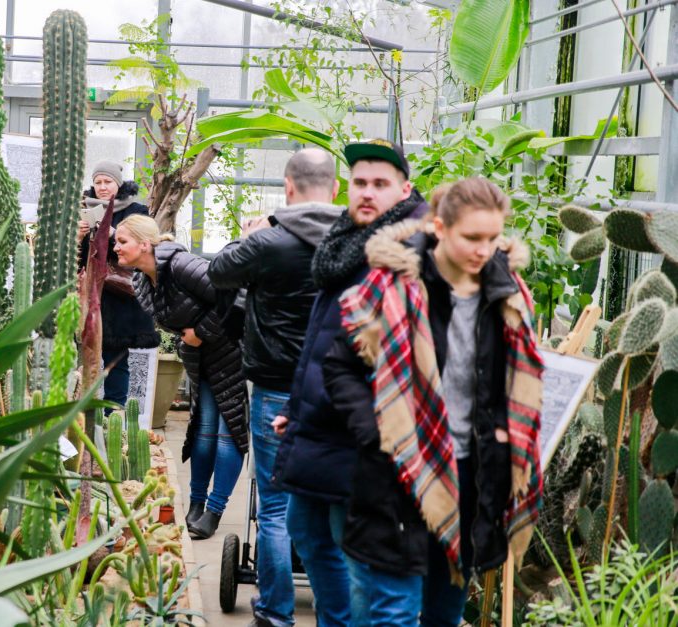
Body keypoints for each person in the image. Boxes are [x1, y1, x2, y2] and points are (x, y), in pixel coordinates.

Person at [324, 177, 544, 625]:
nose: (484, 251)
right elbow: (339, 366)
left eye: (492, 238)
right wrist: (378, 433)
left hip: (473, 475)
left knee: (445, 613)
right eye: (472, 238)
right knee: (394, 613)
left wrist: (504, 431)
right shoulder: (391, 287)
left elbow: (516, 380)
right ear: (440, 228)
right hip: (398, 470)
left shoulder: (507, 294)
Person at [270, 139, 430, 626]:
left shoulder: (405, 251)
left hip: (363, 435)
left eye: (380, 184)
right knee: (306, 530)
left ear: (403, 190)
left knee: (360, 559)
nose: (367, 192)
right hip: (321, 423)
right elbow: (324, 340)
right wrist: (298, 412)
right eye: (360, 182)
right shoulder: (346, 243)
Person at [208, 148, 342, 627]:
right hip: (340, 396)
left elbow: (218, 271)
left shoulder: (268, 244)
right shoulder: (360, 244)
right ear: (337, 188)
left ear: (288, 187)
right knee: (334, 508)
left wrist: (251, 235)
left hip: (275, 391)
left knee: (276, 507)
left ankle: (275, 614)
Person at [114, 214, 249, 540]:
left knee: (227, 432)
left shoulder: (181, 265)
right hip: (199, 358)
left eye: (122, 241)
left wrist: (201, 332)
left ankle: (214, 511)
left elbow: (237, 299)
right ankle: (196, 505)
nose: (115, 247)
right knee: (203, 433)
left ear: (144, 244)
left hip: (230, 352)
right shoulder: (142, 279)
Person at [78, 160, 159, 409]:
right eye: (98, 182)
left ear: (118, 183)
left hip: (120, 295)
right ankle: (85, 415)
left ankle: (114, 415)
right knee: (86, 359)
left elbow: (145, 247)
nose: (102, 187)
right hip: (91, 293)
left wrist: (113, 233)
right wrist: (79, 236)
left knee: (117, 360)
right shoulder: (84, 209)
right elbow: (79, 258)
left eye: (108, 182)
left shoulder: (136, 211)